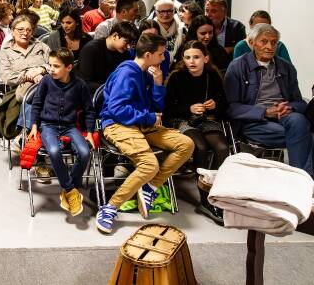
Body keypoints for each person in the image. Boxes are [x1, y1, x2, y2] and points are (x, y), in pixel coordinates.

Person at [95, 33, 194, 234]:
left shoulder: (146, 72)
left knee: (186, 144)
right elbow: (117, 109)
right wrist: (148, 117)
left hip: (140, 123)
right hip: (117, 124)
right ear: (148, 55)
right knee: (149, 165)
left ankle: (150, 187)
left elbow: (157, 108)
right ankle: (110, 208)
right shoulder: (127, 73)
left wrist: (158, 84)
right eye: (161, 54)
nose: (164, 58)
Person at [225, 23, 311, 175]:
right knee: (305, 134)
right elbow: (231, 107)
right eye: (264, 41)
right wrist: (264, 112)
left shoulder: (286, 67)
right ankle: (304, 177)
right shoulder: (237, 67)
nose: (269, 47)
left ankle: (301, 178)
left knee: (298, 121)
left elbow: (299, 102)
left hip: (284, 116)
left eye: (273, 42)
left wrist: (289, 107)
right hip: (254, 121)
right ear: (251, 43)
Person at [164, 40, 229, 224]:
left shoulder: (213, 76)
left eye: (196, 57)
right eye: (187, 57)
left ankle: (218, 191)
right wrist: (189, 108)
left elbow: (224, 105)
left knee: (222, 147)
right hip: (182, 120)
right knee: (199, 146)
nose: (192, 61)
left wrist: (215, 105)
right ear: (183, 59)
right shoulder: (177, 77)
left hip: (207, 119)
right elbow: (168, 110)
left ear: (205, 58)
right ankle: (204, 198)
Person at [27, 48, 95, 217]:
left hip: (69, 126)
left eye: (56, 66)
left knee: (85, 152)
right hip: (47, 126)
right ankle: (71, 190)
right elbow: (36, 104)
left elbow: (89, 110)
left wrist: (89, 132)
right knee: (54, 151)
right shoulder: (46, 81)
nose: (51, 69)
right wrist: (34, 126)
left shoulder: (80, 85)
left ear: (69, 67)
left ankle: (69, 189)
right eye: (50, 65)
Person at [77, 22, 138, 94]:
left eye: (130, 44)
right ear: (115, 36)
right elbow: (85, 83)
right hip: (94, 94)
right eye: (126, 42)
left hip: (115, 92)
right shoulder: (91, 49)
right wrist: (112, 88)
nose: (128, 47)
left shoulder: (125, 53)